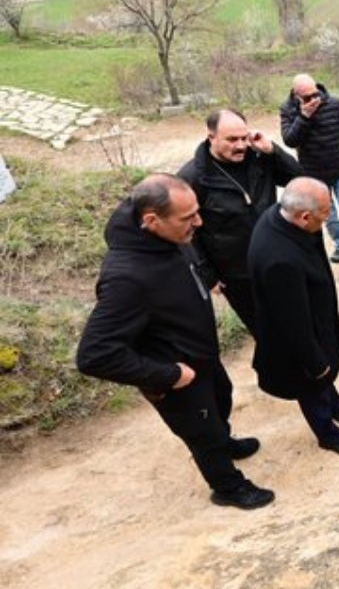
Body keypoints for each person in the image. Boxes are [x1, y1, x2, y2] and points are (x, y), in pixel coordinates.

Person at [77, 174, 274, 510]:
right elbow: (94, 354)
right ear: (151, 220)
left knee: (220, 404)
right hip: (177, 375)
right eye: (188, 218)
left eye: (196, 212)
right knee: (202, 433)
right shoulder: (127, 277)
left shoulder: (164, 236)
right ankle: (228, 487)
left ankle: (224, 442)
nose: (198, 223)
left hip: (202, 355)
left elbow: (190, 259)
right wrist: (166, 375)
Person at [249, 177, 339, 455]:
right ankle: (328, 435)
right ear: (304, 216)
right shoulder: (280, 260)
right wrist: (315, 364)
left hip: (317, 319)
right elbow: (294, 325)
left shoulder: (282, 216)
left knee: (326, 380)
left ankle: (335, 406)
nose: (328, 218)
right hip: (300, 344)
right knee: (313, 385)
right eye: (325, 213)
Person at [178, 109, 302, 340]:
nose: (241, 145)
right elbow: (185, 233)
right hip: (236, 273)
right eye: (232, 139)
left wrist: (273, 150)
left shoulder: (259, 158)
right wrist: (207, 274)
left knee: (294, 319)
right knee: (264, 330)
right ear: (211, 137)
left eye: (244, 138)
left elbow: (299, 179)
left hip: (276, 259)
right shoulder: (192, 177)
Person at [279, 74, 339, 263]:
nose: (314, 100)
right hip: (314, 175)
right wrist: (304, 116)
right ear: (296, 95)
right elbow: (290, 140)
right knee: (327, 216)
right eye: (307, 97)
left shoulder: (334, 104)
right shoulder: (288, 110)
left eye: (315, 94)